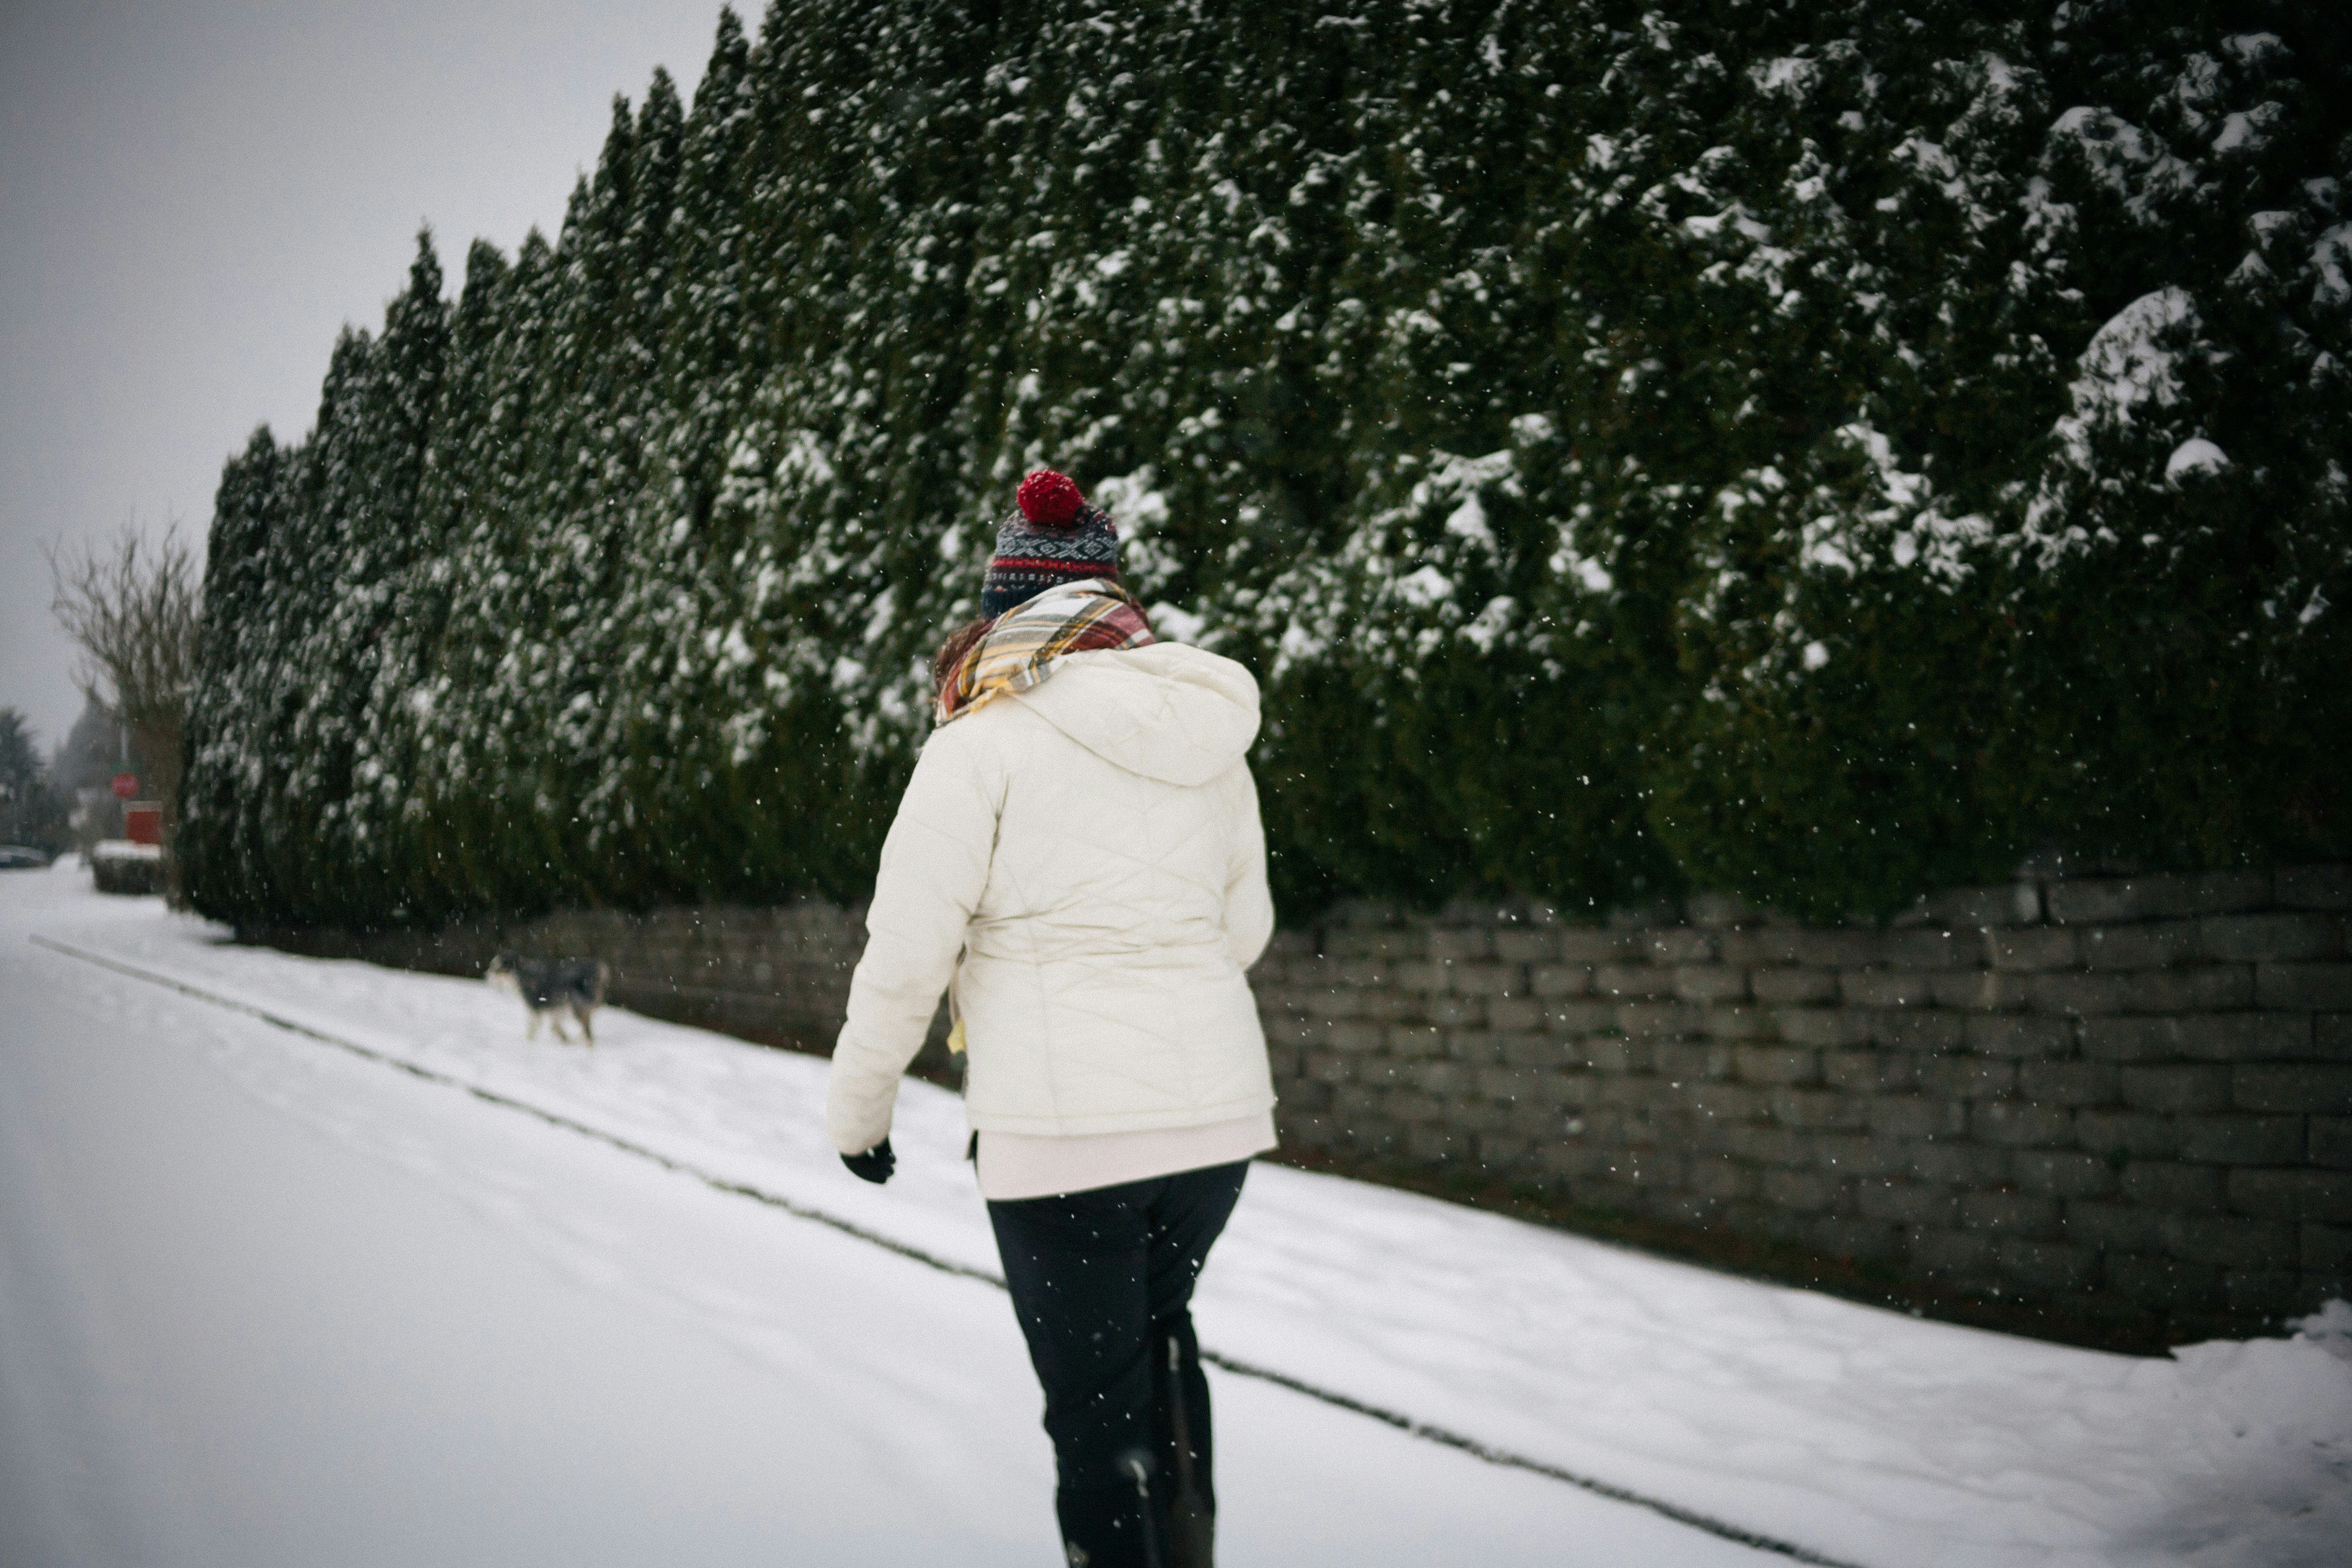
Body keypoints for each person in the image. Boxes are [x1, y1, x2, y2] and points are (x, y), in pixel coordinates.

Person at [826, 468, 1276, 1567]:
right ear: (1108, 606)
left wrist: (859, 1113)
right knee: (1158, 1343)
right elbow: (1246, 928)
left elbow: (905, 956)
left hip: (1061, 1143)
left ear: (1003, 607)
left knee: (1094, 1417)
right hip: (1215, 1130)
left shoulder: (977, 743)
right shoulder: (1208, 741)